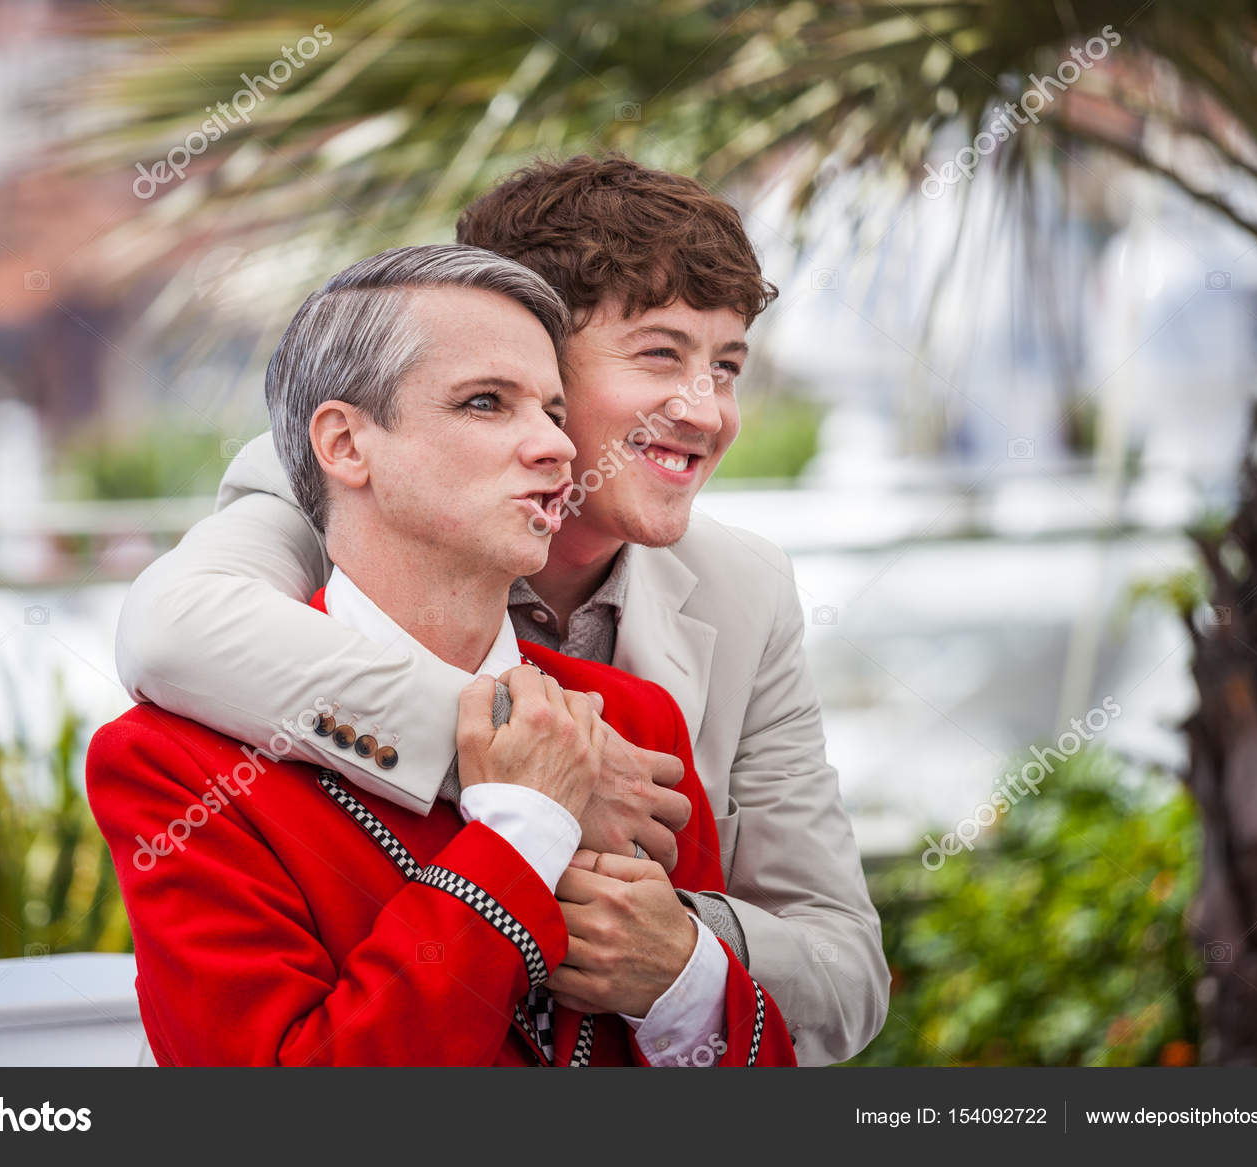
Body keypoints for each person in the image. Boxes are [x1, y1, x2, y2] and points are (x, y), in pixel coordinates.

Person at [116, 155, 888, 1063]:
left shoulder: (716, 624)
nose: (708, 412)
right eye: (660, 354)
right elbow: (168, 635)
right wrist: (527, 777)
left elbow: (843, 975)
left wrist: (675, 951)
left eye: (727, 367)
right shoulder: (317, 495)